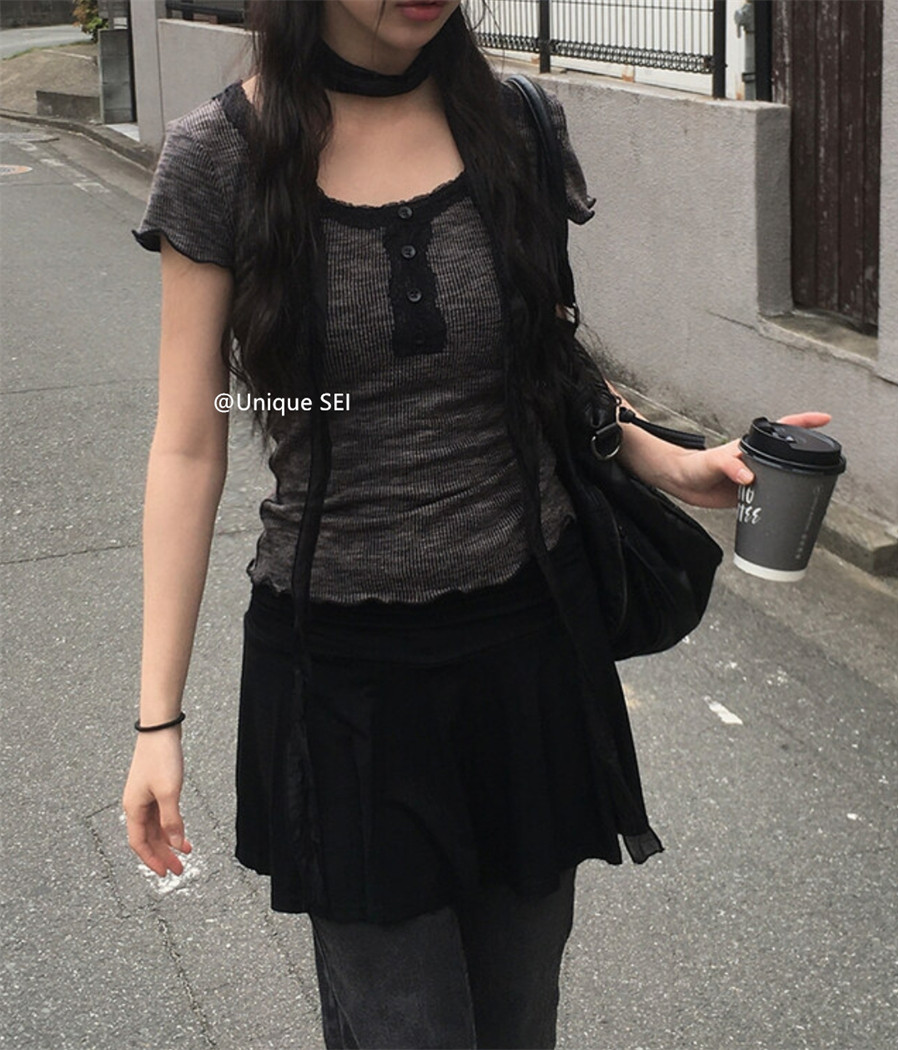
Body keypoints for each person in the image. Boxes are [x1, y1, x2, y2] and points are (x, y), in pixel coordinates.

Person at [122, 2, 829, 1047]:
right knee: (403, 1027)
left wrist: (678, 464)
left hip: (528, 652)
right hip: (344, 677)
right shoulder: (219, 157)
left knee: (519, 1019)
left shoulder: (514, 125)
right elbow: (190, 444)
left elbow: (549, 365)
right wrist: (157, 723)